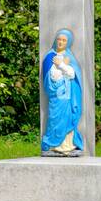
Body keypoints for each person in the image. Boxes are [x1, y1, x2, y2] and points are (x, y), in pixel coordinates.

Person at [41, 28, 83, 156]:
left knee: (67, 118)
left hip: (67, 95)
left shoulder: (69, 58)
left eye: (64, 40)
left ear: (67, 43)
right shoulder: (49, 57)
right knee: (54, 118)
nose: (60, 42)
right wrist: (60, 67)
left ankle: (67, 146)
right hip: (56, 95)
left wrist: (62, 65)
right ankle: (54, 145)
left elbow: (72, 74)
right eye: (59, 39)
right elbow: (50, 77)